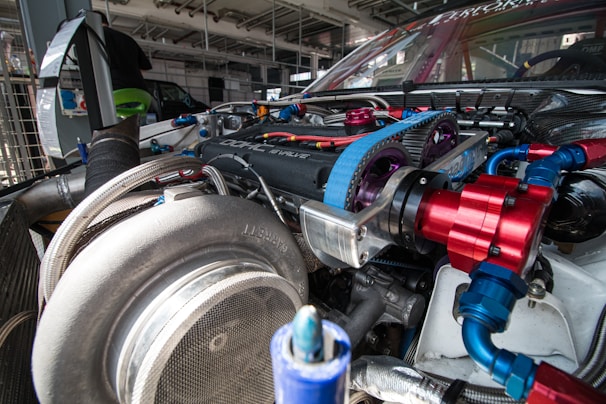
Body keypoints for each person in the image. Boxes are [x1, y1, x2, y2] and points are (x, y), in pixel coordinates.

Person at [91, 10, 152, 93]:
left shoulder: (94, 38)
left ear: (92, 21)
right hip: (140, 92)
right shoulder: (128, 39)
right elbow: (145, 67)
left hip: (115, 94)